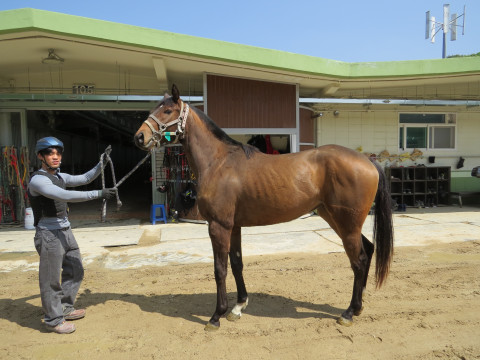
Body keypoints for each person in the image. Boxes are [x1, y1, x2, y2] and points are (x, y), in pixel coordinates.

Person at [27, 136, 116, 334]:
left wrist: (101, 163)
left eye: (58, 153)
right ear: (41, 156)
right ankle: (53, 320)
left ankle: (65, 308)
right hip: (49, 234)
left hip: (65, 230)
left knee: (76, 269)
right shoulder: (39, 180)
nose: (56, 157)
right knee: (50, 279)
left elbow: (84, 178)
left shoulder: (60, 176)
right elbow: (64, 195)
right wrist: (98, 194)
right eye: (50, 153)